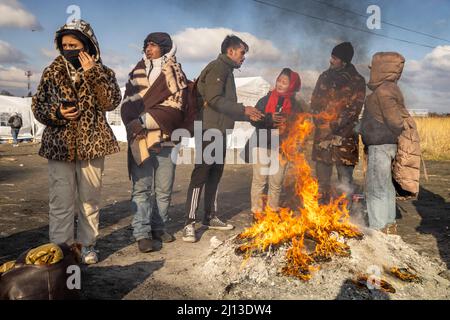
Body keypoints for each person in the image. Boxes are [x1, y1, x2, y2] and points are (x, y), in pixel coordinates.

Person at [31, 19, 122, 264]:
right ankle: (60, 250)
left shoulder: (104, 71)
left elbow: (111, 103)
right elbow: (38, 106)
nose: (68, 49)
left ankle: (86, 246)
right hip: (59, 145)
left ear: (88, 44)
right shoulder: (51, 71)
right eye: (64, 45)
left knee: (89, 201)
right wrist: (57, 113)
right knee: (60, 201)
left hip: (92, 143)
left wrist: (94, 74)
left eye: (74, 44)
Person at [182, 35, 264, 243]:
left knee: (215, 174)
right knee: (201, 174)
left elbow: (225, 106)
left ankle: (209, 216)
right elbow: (215, 99)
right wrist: (242, 108)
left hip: (219, 129)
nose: (243, 57)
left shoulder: (227, 70)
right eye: (242, 52)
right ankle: (189, 223)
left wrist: (245, 113)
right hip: (209, 129)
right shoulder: (218, 67)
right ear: (231, 51)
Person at [121, 33, 187, 253]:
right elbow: (127, 105)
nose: (148, 49)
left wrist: (142, 121)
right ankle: (142, 232)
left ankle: (159, 227)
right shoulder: (136, 72)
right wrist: (134, 124)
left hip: (167, 140)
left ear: (165, 48)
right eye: (146, 45)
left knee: (164, 189)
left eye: (154, 45)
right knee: (141, 189)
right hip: (140, 139)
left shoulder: (175, 72)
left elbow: (175, 108)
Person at [361, 52, 420, 234]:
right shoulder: (391, 88)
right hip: (387, 145)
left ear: (381, 69)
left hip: (381, 146)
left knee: (375, 188)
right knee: (386, 186)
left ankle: (378, 229)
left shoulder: (383, 90)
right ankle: (388, 224)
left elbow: (395, 121)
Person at [311, 42, 366, 203]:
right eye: (332, 57)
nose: (331, 60)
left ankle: (345, 220)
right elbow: (314, 103)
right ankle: (321, 218)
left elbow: (353, 110)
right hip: (323, 140)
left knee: (345, 184)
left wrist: (332, 126)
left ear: (344, 61)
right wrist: (321, 123)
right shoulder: (324, 77)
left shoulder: (357, 80)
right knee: (322, 184)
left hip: (345, 141)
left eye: (334, 58)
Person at [249, 68, 302, 217]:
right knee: (259, 180)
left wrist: (288, 123)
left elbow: (300, 126)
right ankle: (257, 211)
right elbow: (253, 120)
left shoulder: (296, 106)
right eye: (279, 80)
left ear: (291, 85)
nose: (280, 84)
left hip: (282, 147)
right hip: (262, 144)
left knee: (276, 182)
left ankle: (273, 210)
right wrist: (269, 118)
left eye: (284, 82)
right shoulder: (265, 100)